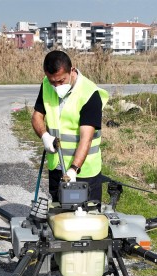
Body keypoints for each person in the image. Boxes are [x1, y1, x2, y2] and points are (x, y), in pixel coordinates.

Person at [32, 50, 108, 203]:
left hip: (84, 172)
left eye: (61, 81)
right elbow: (36, 116)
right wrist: (44, 136)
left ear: (72, 70)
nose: (56, 86)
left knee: (86, 215)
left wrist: (74, 169)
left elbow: (86, 139)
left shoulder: (89, 94)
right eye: (52, 81)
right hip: (57, 168)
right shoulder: (47, 85)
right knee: (58, 213)